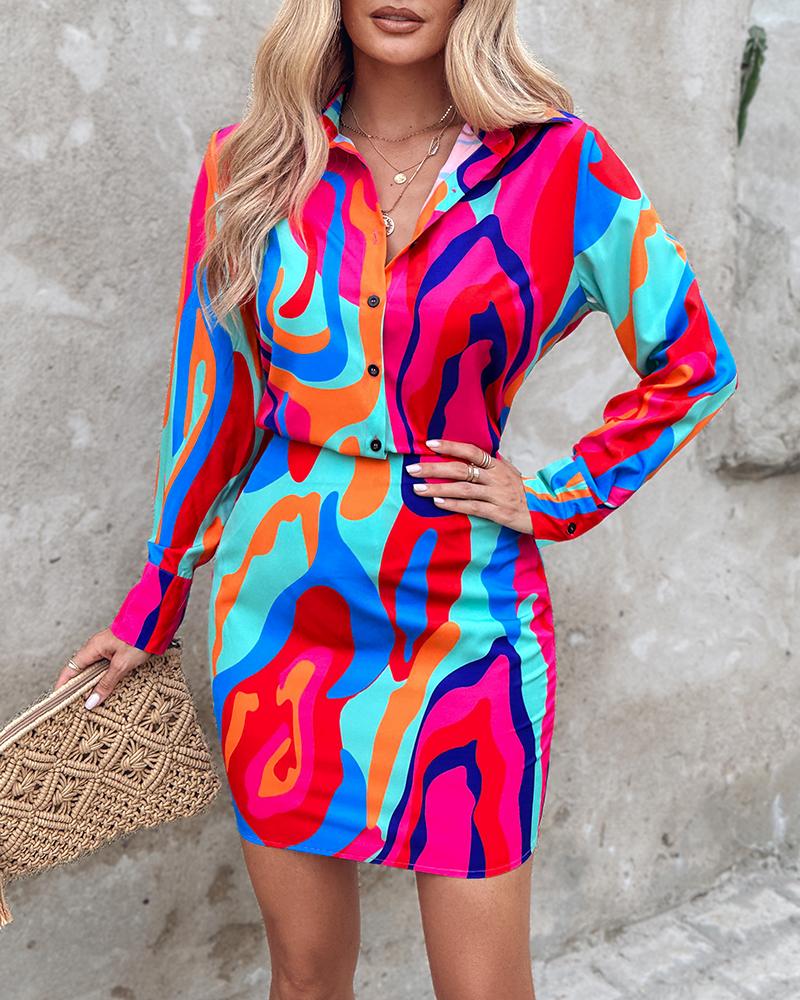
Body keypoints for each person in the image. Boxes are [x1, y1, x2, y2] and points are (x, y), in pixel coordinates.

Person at [54, 1, 739, 997]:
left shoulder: (558, 164)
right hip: (281, 622)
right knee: (305, 974)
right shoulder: (249, 164)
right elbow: (215, 403)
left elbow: (691, 361)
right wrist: (153, 601)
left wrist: (557, 494)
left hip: (467, 625)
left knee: (483, 986)